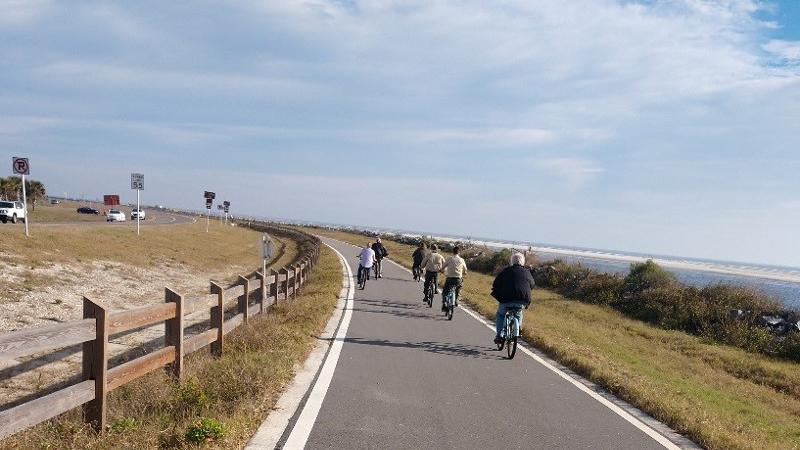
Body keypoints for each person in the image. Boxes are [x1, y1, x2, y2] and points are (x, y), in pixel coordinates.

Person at [491, 252, 535, 345]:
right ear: (523, 262)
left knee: (500, 315)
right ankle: (518, 328)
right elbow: (532, 284)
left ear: (512, 261)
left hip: (506, 299)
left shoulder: (506, 271)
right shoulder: (527, 272)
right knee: (519, 313)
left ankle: (499, 335)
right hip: (522, 300)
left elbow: (496, 283)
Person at [441, 246, 467, 311]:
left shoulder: (449, 258)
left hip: (449, 278)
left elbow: (443, 267)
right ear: (459, 252)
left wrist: (442, 270)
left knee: (445, 291)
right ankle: (456, 301)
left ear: (453, 252)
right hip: (458, 279)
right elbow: (465, 270)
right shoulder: (462, 260)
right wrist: (464, 272)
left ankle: (444, 303)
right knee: (458, 289)